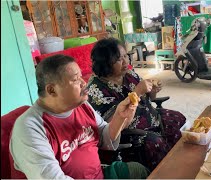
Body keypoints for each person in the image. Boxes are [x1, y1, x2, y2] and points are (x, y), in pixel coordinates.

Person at [9, 54, 149, 179]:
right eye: (76, 79)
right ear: (52, 90)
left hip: (98, 174)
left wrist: (119, 116)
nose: (84, 82)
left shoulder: (81, 106)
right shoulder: (29, 128)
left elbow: (104, 139)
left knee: (139, 171)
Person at [87, 38, 186, 171]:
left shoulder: (129, 74)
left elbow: (148, 99)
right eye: (118, 59)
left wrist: (153, 92)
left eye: (125, 56)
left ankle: (179, 163)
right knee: (155, 143)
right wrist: (137, 92)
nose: (125, 61)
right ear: (105, 63)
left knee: (177, 118)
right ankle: (164, 172)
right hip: (129, 133)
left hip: (151, 117)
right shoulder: (96, 89)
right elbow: (114, 125)